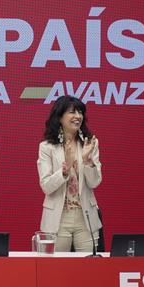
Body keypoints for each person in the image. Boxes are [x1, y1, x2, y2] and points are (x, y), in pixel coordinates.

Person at [37, 96, 102, 252]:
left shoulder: (90, 143)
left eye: (80, 112)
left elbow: (94, 183)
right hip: (58, 218)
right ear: (59, 117)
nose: (78, 116)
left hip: (85, 215)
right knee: (55, 268)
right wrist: (64, 171)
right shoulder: (47, 147)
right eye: (72, 112)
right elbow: (46, 186)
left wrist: (87, 161)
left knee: (89, 267)